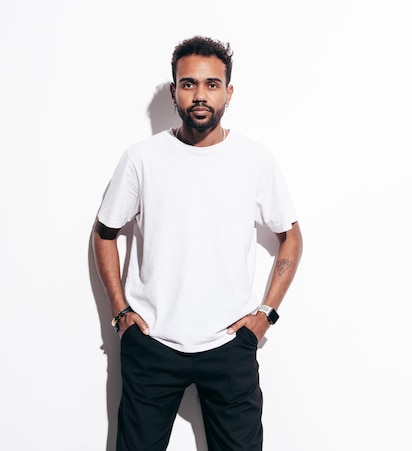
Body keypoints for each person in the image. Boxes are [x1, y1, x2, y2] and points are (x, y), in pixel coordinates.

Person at [92, 36, 303, 451]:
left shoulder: (255, 161)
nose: (200, 95)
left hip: (230, 344)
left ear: (228, 91)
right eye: (189, 84)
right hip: (152, 342)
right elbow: (104, 233)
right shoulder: (141, 158)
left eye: (211, 84)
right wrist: (121, 314)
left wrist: (266, 314)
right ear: (174, 91)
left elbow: (290, 237)